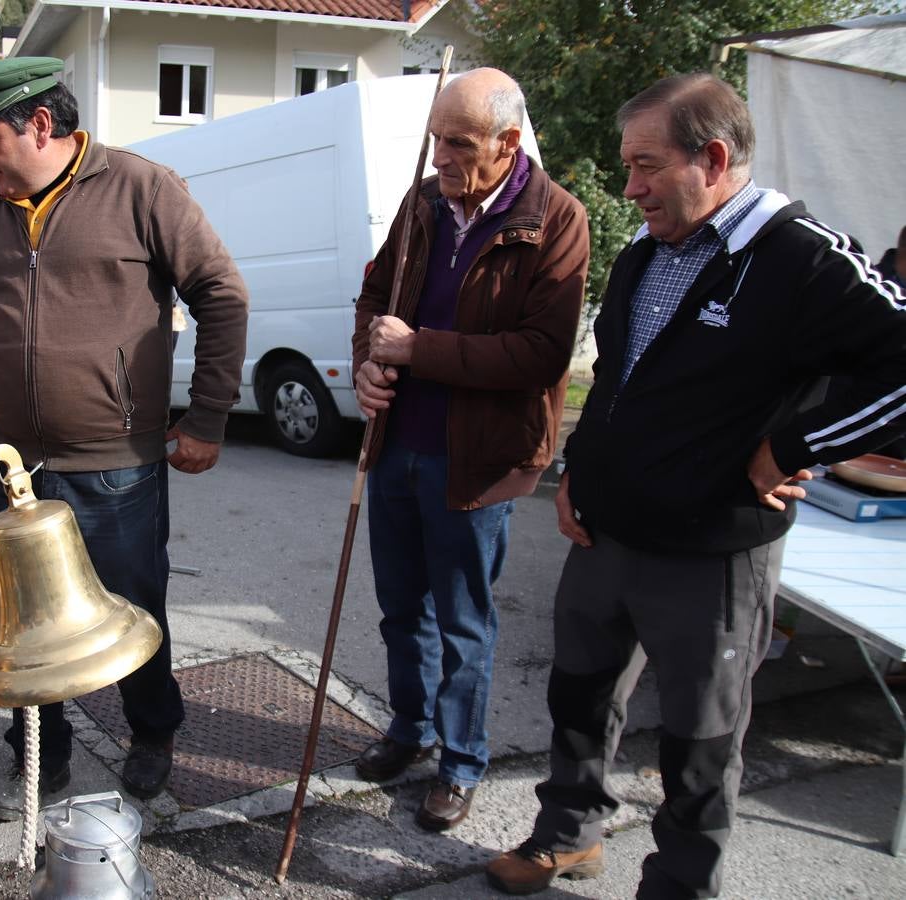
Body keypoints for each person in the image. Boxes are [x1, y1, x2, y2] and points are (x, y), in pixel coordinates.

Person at [486, 73, 906, 898]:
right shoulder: (649, 252)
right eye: (627, 166)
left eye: (646, 166)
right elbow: (618, 378)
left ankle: (681, 883)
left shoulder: (800, 257)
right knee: (579, 694)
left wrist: (792, 445)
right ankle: (569, 834)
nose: (629, 187)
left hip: (712, 553)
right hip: (605, 533)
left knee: (700, 736)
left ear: (712, 159)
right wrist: (577, 473)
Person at [0, 57, 249, 816]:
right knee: (23, 622)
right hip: (9, 464)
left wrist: (206, 418)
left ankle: (153, 735)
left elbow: (223, 296)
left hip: (116, 465)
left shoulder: (144, 189)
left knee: (133, 607)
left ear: (41, 125)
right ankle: (40, 758)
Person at [350, 68, 590, 832]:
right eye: (436, 139)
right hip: (395, 449)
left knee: (463, 623)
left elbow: (540, 355)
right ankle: (409, 731)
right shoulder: (423, 204)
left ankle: (461, 764)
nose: (441, 156)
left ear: (507, 142)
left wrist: (417, 350)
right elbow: (375, 298)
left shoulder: (556, 219)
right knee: (400, 612)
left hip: (476, 462)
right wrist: (368, 362)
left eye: (457, 142)